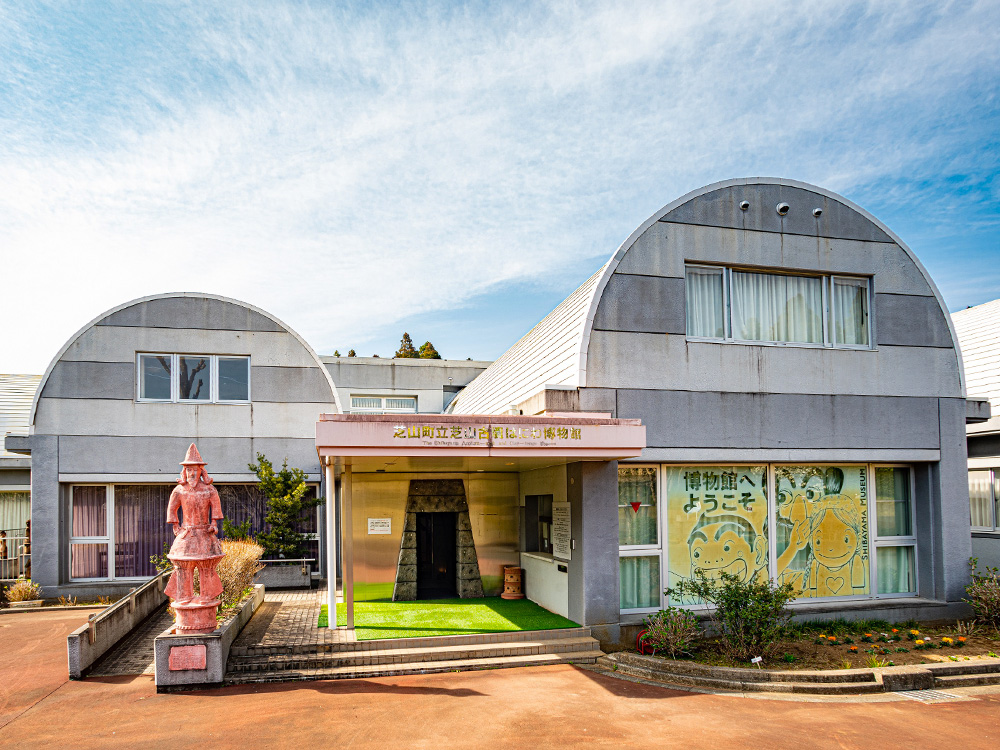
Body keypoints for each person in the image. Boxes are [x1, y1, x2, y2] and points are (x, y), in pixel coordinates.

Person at [164, 443, 224, 606]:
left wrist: (213, 523)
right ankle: (184, 597)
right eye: (189, 470)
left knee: (206, 565)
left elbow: (216, 508)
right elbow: (172, 508)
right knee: (183, 565)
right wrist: (175, 525)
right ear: (184, 472)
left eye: (195, 470)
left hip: (204, 533)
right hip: (186, 533)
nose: (192, 473)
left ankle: (206, 596)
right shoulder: (179, 490)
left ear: (201, 472)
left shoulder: (210, 490)